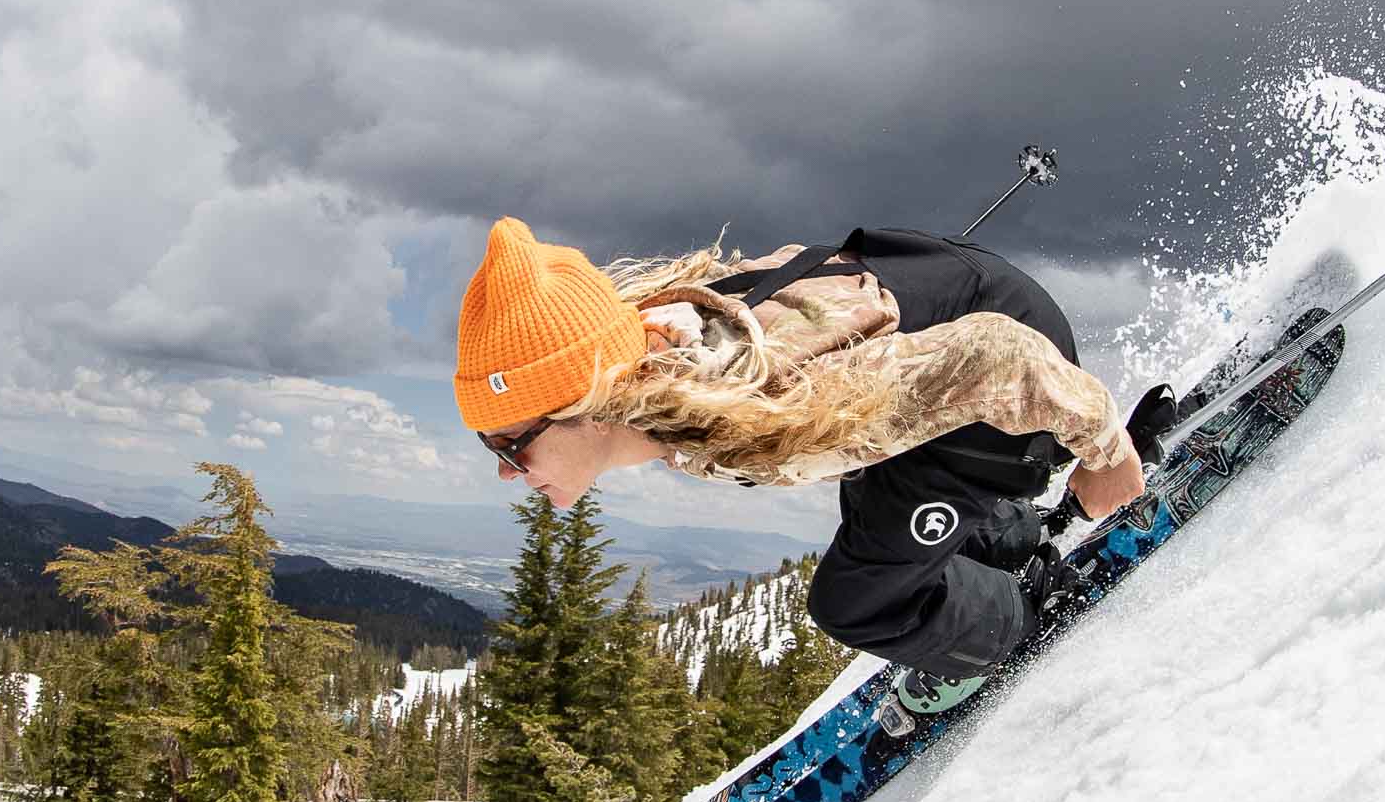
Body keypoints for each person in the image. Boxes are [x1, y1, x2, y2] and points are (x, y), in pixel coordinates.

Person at [453, 218, 1150, 715]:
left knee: (859, 601)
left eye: (511, 443)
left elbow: (1004, 356)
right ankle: (999, 541)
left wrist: (1107, 451)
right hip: (947, 336)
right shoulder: (659, 359)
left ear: (592, 404)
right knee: (880, 513)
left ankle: (1038, 613)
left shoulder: (754, 390)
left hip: (1014, 370)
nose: (509, 471)